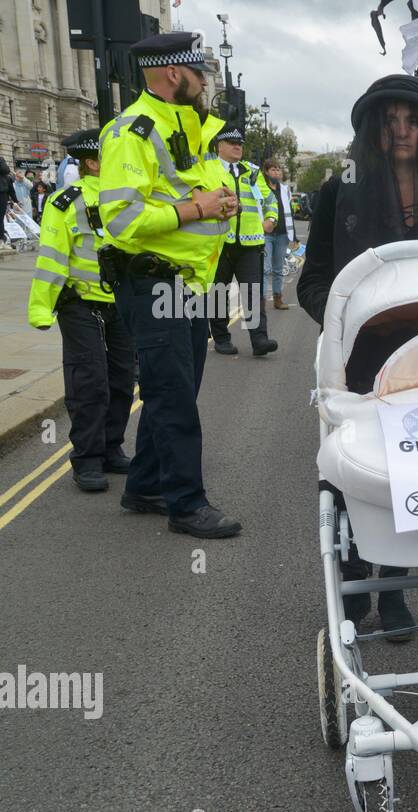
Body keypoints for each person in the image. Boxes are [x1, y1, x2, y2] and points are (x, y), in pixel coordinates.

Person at [298, 74, 418, 636]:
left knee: (414, 471)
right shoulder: (339, 193)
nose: (400, 130)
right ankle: (355, 584)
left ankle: (396, 589)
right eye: (389, 120)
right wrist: (342, 323)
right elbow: (314, 282)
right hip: (358, 362)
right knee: (356, 472)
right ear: (373, 129)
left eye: (411, 120)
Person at [98, 31, 242, 539]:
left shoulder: (189, 128)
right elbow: (121, 216)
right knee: (172, 396)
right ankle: (186, 504)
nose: (206, 84)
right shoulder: (131, 132)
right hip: (151, 283)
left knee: (178, 389)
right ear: (176, 74)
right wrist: (197, 207)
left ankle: (143, 486)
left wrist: (221, 202)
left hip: (187, 285)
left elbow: (194, 194)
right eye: (201, 74)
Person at [27, 129, 134, 493]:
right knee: (90, 382)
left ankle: (110, 446)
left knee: (123, 378)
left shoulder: (125, 198)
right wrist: (42, 309)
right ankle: (86, 458)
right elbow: (52, 258)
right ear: (92, 162)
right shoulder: (64, 202)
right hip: (80, 304)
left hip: (120, 303)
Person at [206, 123, 279, 356]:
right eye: (232, 143)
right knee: (218, 291)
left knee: (253, 292)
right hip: (219, 242)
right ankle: (221, 338)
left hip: (250, 243)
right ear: (219, 146)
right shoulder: (209, 169)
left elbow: (270, 200)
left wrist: (271, 219)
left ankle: (259, 340)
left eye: (240, 144)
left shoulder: (253, 171)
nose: (238, 147)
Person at [262, 157, 296, 311]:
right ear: (266, 172)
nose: (276, 172)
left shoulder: (285, 189)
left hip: (282, 234)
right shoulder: (261, 188)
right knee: (265, 268)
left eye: (278, 169)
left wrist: (293, 236)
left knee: (278, 269)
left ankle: (278, 298)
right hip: (266, 234)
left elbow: (289, 213)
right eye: (273, 169)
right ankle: (261, 301)